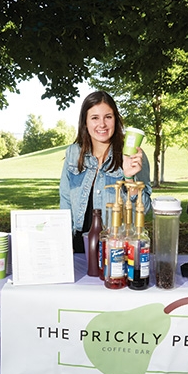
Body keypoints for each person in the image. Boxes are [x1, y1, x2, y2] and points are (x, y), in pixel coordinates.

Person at [60, 91, 152, 253]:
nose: (102, 124)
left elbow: (144, 209)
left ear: (115, 120)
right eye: (95, 118)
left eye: (108, 117)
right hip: (78, 246)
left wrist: (129, 178)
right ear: (85, 122)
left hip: (117, 247)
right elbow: (65, 201)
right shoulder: (73, 153)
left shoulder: (132, 155)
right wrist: (63, 243)